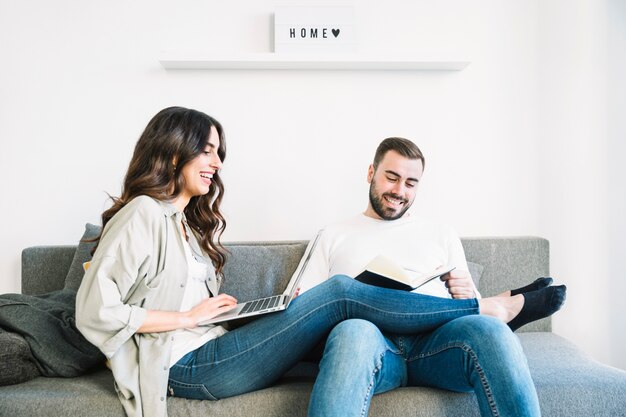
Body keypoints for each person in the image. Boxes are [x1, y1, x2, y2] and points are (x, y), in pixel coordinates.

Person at [75, 108, 562, 417]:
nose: (218, 163)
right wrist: (187, 317)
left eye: (218, 152)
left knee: (348, 299)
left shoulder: (182, 224)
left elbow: (163, 292)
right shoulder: (143, 213)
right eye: (207, 150)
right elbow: (95, 311)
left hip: (215, 347)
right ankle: (488, 307)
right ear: (173, 149)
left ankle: (481, 312)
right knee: (343, 294)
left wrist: (222, 311)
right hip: (182, 365)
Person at [297, 137, 567, 417]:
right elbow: (305, 310)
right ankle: (507, 301)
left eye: (411, 183)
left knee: (494, 330)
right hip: (373, 344)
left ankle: (498, 306)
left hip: (437, 345)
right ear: (371, 173)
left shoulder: (441, 233)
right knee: (352, 331)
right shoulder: (333, 235)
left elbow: (471, 318)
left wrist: (467, 296)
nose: (400, 191)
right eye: (392, 178)